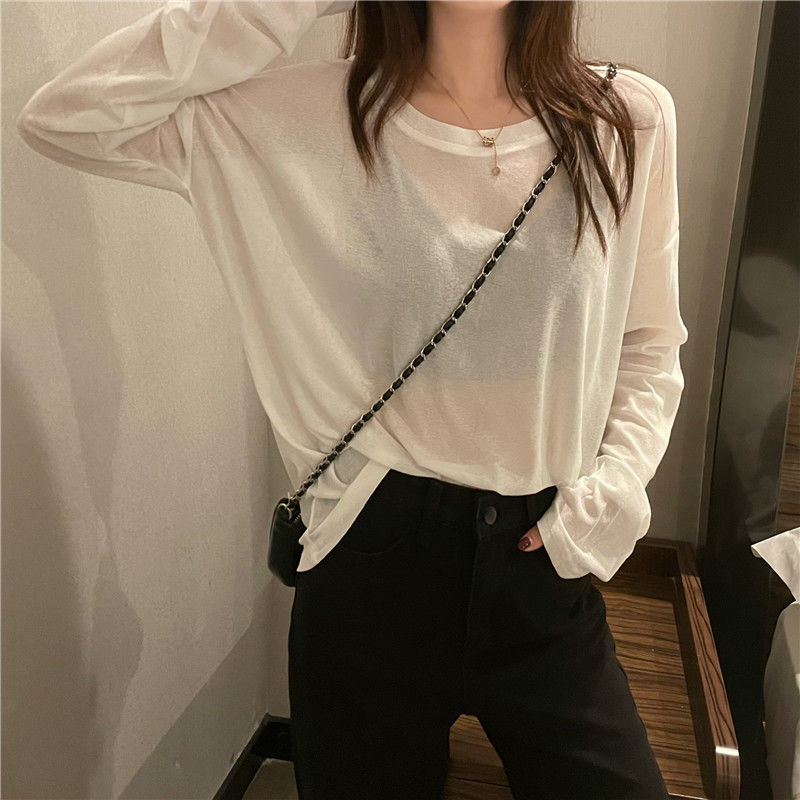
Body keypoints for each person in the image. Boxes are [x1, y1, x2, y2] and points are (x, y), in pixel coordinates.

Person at [17, 1, 686, 798]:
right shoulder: (315, 117)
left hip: (544, 558)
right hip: (373, 557)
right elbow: (67, 117)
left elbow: (648, 340)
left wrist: (611, 494)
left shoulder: (627, 121)